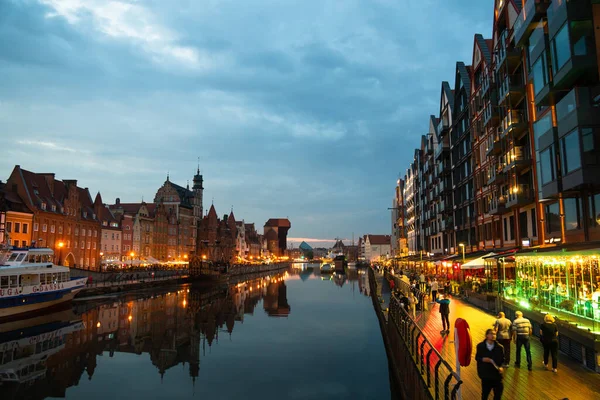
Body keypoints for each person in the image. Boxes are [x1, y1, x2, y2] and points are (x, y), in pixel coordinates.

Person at [475, 329, 505, 400]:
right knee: (485, 395)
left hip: (496, 375)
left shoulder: (500, 347)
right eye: (491, 334)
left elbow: (503, 360)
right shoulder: (480, 346)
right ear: (487, 336)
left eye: (494, 334)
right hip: (486, 376)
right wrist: (483, 359)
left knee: (498, 395)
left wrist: (501, 367)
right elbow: (477, 357)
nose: (493, 336)